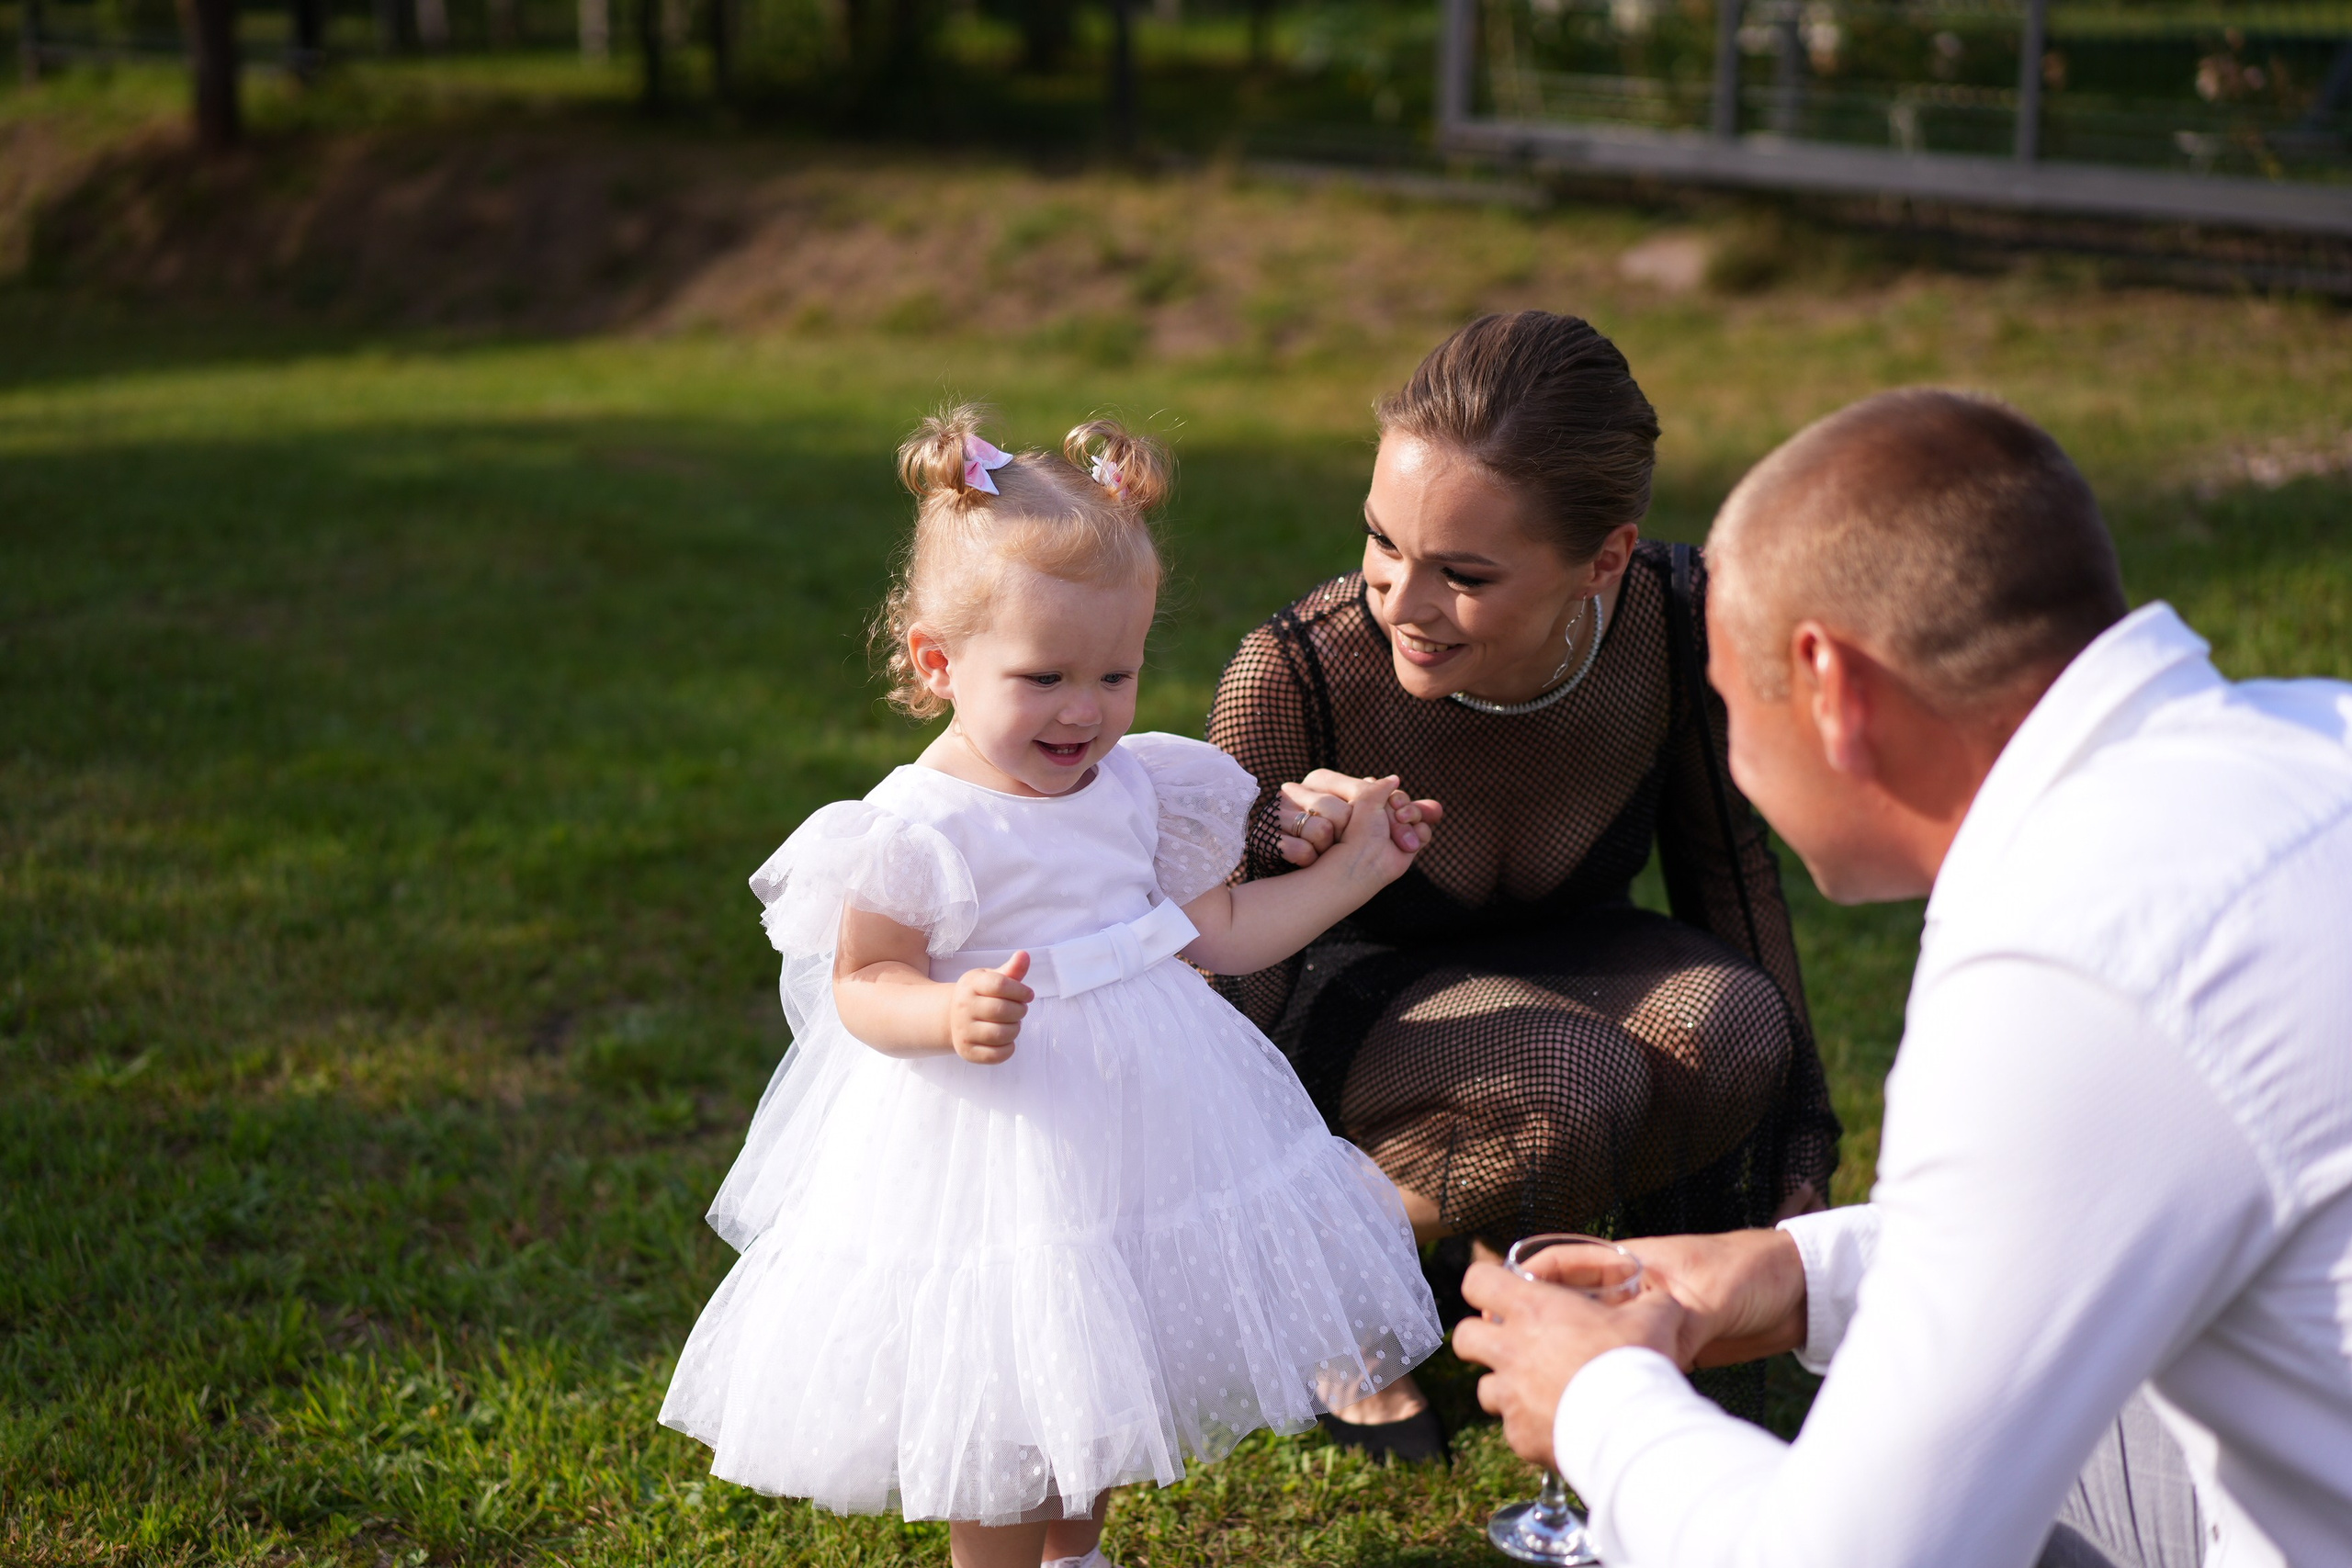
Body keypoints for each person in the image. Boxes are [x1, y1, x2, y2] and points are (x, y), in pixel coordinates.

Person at [1455, 388, 2352, 1568]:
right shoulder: (2311, 740)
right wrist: (1796, 1273)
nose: (1732, 753)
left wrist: (1600, 1405)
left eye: (1729, 702)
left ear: (1829, 685)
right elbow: (2104, 1211)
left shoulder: (2069, 956)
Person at [659, 408, 1445, 1568]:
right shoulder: (917, 826)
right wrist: (944, 1012)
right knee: (1007, 1382)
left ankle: (1075, 1553)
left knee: (1106, 1355)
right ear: (940, 663)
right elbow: (863, 981)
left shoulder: (1143, 786)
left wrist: (1357, 871)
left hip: (1138, 1120)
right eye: (1044, 678)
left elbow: (1221, 935)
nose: (1086, 710)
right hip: (990, 1141)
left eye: (1115, 674)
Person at [1205, 311, 1842, 1454]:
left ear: (1603, 559)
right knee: (1572, 1078)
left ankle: (1603, 1312)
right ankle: (1320, 1275)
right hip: (1358, 1002)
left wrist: (1800, 1130)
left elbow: (1727, 866)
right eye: (1382, 541)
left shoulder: (1675, 618)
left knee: (1736, 1031)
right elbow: (1219, 971)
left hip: (1579, 952)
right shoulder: (1297, 670)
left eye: (1463, 574)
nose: (1400, 599)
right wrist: (1216, 1192)